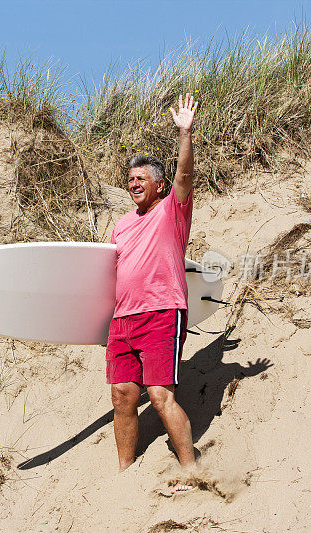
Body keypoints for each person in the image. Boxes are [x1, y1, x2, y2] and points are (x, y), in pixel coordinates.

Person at [106, 93, 198, 488]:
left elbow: (186, 175)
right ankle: (126, 475)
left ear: (159, 185)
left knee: (160, 396)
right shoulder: (122, 225)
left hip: (162, 312)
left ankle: (193, 471)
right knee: (123, 397)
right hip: (122, 321)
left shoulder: (172, 209)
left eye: (141, 178)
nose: (133, 184)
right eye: (129, 180)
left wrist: (185, 133)